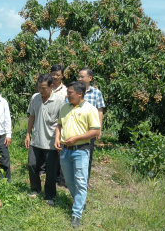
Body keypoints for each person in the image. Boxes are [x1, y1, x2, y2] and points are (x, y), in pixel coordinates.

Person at [55, 81, 101, 228]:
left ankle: (76, 214)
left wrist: (76, 138)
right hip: (65, 151)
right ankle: (80, 202)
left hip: (81, 150)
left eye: (70, 93)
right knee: (69, 181)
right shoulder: (65, 108)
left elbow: (95, 130)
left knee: (81, 182)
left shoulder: (90, 109)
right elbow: (59, 125)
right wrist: (57, 138)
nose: (67, 95)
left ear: (80, 94)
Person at [25, 74, 65, 206]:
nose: (41, 91)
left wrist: (59, 139)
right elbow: (32, 116)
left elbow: (61, 122)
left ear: (51, 86)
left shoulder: (59, 101)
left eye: (43, 88)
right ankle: (35, 189)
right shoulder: (35, 98)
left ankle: (50, 195)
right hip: (36, 139)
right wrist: (27, 134)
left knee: (51, 170)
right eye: (39, 88)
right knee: (32, 164)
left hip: (51, 141)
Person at [77, 67, 105, 185]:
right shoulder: (75, 91)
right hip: (77, 128)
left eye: (82, 77)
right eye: (78, 76)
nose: (80, 79)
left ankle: (85, 181)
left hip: (90, 130)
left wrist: (99, 128)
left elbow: (100, 110)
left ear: (90, 78)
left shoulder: (96, 93)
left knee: (88, 155)